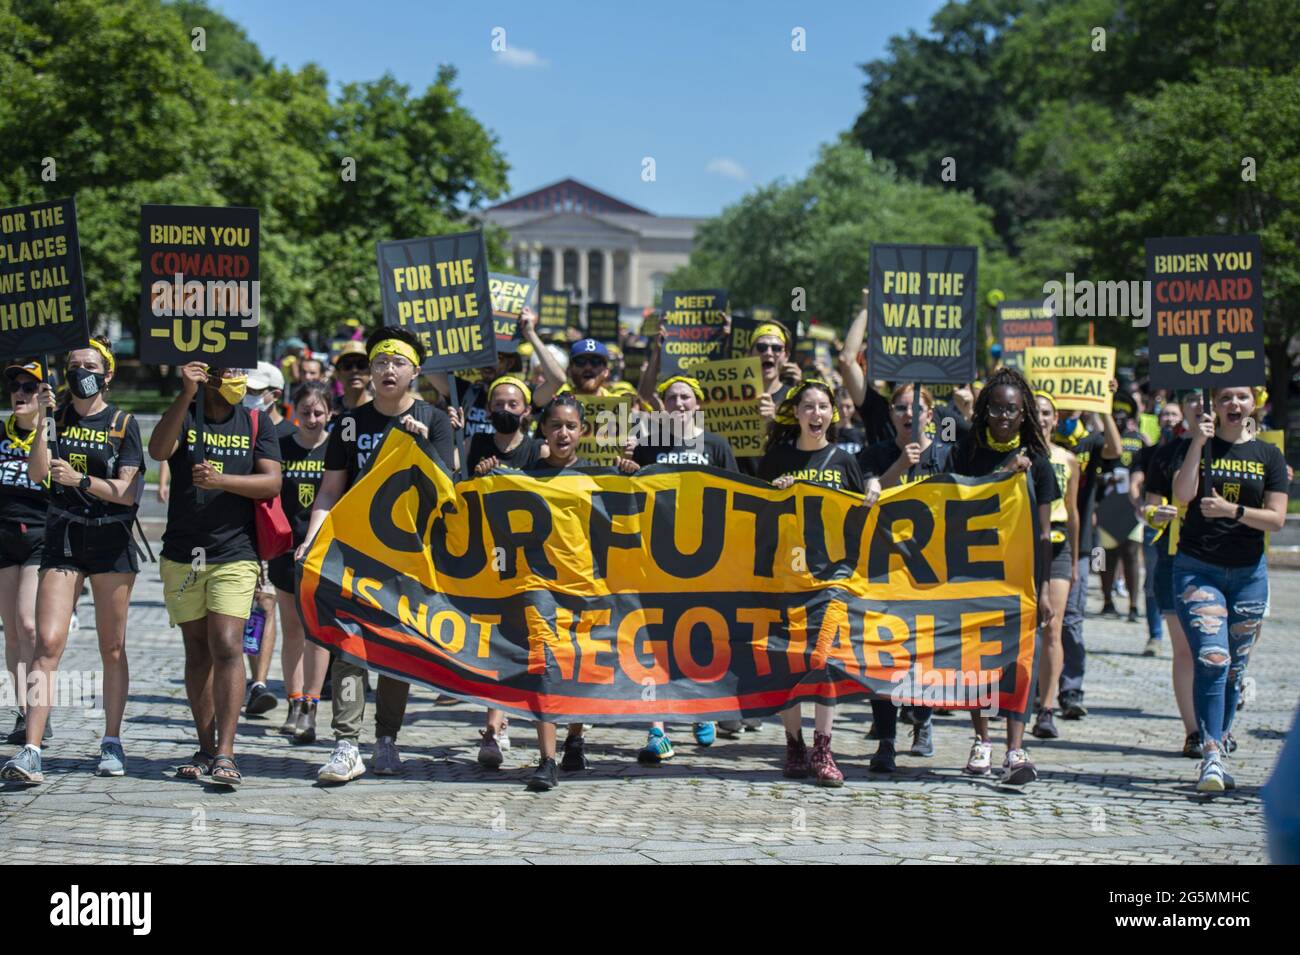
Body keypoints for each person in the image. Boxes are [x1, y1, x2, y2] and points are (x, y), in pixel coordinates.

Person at [300, 327, 454, 784]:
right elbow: (330, 490)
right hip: (351, 554)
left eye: (397, 363)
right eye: (380, 362)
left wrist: (424, 444)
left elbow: (450, 490)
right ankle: (346, 743)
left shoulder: (436, 419)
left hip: (407, 556)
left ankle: (387, 738)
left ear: (415, 372)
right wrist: (312, 539)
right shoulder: (350, 422)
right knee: (348, 644)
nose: (387, 370)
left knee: (395, 649)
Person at [2, 339, 144, 784]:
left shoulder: (122, 422)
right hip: (63, 536)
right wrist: (43, 420)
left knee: (112, 645)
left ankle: (112, 739)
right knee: (46, 642)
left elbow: (128, 492)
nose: (80, 371)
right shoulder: (57, 418)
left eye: (89, 365)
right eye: (73, 365)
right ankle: (31, 747)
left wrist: (83, 479)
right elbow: (38, 474)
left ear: (107, 374)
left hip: (110, 539)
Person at [146, 361, 282, 787]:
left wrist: (223, 480)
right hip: (184, 553)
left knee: (227, 644)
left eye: (241, 371)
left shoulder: (256, 421)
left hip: (234, 552)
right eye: (227, 371)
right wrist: (185, 393)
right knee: (198, 651)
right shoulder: (186, 414)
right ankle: (205, 746)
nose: (236, 380)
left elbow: (272, 482)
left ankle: (226, 750)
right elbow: (158, 451)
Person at [1169, 386, 1286, 794]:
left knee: (1236, 668)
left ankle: (1219, 738)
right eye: (1225, 399)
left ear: (1254, 403)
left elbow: (1276, 520)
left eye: (1241, 398)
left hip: (1249, 574)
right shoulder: (1200, 445)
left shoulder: (1269, 455)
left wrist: (1232, 510)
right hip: (1198, 570)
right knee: (1213, 658)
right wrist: (1199, 442)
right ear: (1213, 406)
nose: (1234, 405)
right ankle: (1212, 755)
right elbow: (1182, 496)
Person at [944, 367, 1057, 786]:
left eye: (1012, 409)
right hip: (975, 573)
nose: (1004, 416)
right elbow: (954, 504)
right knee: (977, 660)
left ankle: (1015, 747)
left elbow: (1045, 533)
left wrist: (1043, 588)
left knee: (1017, 663)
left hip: (1020, 579)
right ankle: (982, 740)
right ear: (984, 410)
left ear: (1023, 411)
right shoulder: (967, 453)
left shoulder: (1039, 464)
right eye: (997, 408)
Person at [617, 372, 737, 760]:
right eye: (671, 399)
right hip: (655, 556)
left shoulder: (717, 445)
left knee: (698, 637)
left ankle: (701, 708)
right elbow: (623, 492)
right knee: (655, 641)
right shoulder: (648, 445)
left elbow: (739, 498)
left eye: (686, 398)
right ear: (662, 407)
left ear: (698, 405)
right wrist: (625, 461)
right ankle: (657, 728)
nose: (679, 404)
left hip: (707, 559)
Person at [758, 379, 863, 787]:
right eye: (809, 407)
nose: (816, 414)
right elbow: (756, 513)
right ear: (796, 413)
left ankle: (824, 748)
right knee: (790, 662)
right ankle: (794, 744)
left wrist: (872, 491)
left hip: (831, 578)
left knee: (824, 661)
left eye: (823, 407)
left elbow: (860, 519)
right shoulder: (777, 458)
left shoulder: (843, 460)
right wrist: (776, 493)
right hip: (786, 574)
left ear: (832, 414)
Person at [857, 385, 953, 768]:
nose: (907, 414)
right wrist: (897, 468)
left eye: (916, 408)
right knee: (883, 653)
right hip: (884, 568)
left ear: (931, 414)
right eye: (900, 407)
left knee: (924, 652)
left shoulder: (947, 454)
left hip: (931, 571)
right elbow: (866, 498)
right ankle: (886, 740)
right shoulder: (874, 454)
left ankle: (923, 719)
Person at [520, 394, 591, 792]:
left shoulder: (599, 477)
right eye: (556, 425)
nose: (563, 433)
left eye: (571, 426)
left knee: (578, 664)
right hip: (540, 586)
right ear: (543, 430)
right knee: (544, 667)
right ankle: (547, 760)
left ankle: (575, 740)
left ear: (582, 432)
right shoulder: (526, 476)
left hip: (584, 585)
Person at [269, 381, 332, 743]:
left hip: (323, 552)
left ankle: (312, 701)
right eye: (305, 412)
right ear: (295, 412)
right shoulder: (282, 447)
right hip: (285, 547)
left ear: (330, 414)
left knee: (317, 630)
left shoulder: (335, 450)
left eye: (319, 412)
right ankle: (293, 700)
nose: (312, 419)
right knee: (291, 627)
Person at [1055, 391, 1122, 719]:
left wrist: (1104, 406)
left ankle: (1071, 689)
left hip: (1081, 543)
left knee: (1071, 619)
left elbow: (1115, 449)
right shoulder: (1042, 436)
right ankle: (1037, 689)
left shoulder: (1089, 440)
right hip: (1040, 539)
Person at [1141, 392, 1201, 757]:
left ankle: (1218, 724)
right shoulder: (1167, 452)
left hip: (1230, 561)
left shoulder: (1249, 448)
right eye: (1193, 398)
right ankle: (1195, 731)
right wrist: (1154, 514)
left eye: (1205, 397)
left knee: (1220, 654)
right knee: (1186, 651)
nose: (1200, 405)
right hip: (1175, 558)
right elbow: (1149, 504)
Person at [1, 360, 50, 745]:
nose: (20, 391)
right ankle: (23, 711)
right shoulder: (1, 435)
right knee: (13, 632)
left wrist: (47, 424)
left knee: (29, 624)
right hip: (4, 536)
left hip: (40, 535)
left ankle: (38, 709)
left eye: (30, 387)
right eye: (15, 385)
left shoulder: (53, 434)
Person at [243, 361, 294, 717]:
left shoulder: (290, 435)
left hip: (279, 534)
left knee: (266, 603)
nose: (247, 397)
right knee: (246, 608)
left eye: (255, 392)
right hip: (242, 528)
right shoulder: (238, 426)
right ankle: (252, 679)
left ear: (274, 396)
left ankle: (260, 681)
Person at [1029, 391, 1080, 741]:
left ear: (1055, 418)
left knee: (1053, 626)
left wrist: (1077, 559)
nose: (1042, 418)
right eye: (1036, 412)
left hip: (1058, 543)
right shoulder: (1019, 457)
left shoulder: (1068, 459)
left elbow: (1074, 511)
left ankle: (1047, 708)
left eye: (1047, 413)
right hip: (1022, 541)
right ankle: (1013, 699)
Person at [1132, 399, 1184, 656]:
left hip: (1184, 525)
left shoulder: (1189, 449)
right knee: (1153, 580)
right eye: (1165, 414)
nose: (1170, 419)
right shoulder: (1149, 452)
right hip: (1156, 524)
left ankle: (1183, 637)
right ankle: (1155, 636)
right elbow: (1136, 481)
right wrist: (1141, 506)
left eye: (1174, 414)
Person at [330, 340, 372, 417]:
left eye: (361, 365)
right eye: (347, 365)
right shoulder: (328, 410)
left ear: (370, 372)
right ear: (337, 374)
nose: (354, 370)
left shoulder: (383, 409)